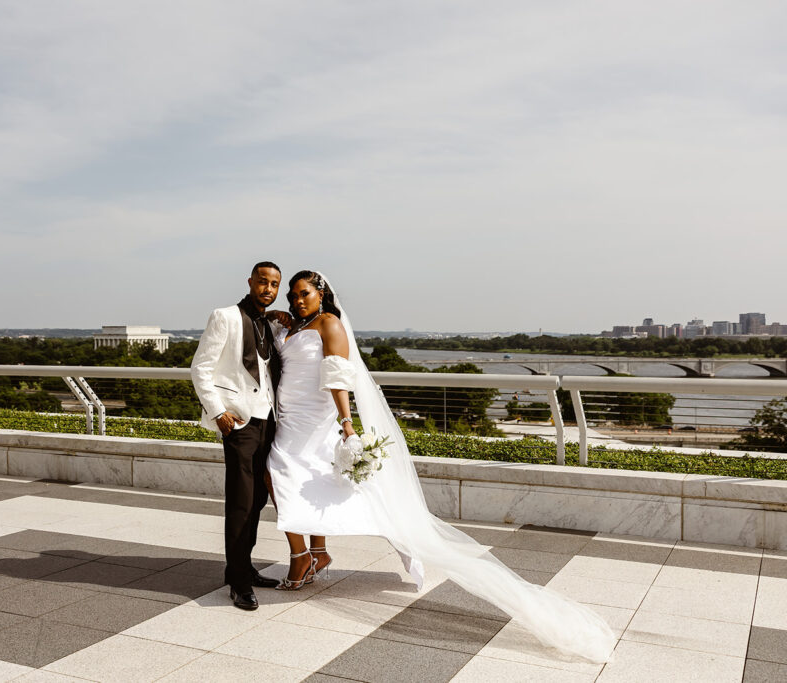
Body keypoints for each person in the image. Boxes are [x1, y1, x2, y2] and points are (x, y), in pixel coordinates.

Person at [264, 270, 617, 663]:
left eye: (304, 294)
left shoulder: (329, 324)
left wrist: (347, 426)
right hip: (289, 415)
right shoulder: (297, 323)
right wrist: (281, 319)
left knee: (280, 475)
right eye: (293, 295)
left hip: (311, 420)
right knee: (304, 482)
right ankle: (319, 552)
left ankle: (302, 558)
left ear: (321, 294)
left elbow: (337, 379)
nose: (297, 300)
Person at [190, 261, 283, 611]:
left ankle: (242, 567)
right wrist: (218, 411)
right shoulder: (225, 316)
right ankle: (240, 584)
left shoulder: (270, 323)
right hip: (240, 423)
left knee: (258, 498)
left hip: (269, 421)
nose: (268, 289)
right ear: (251, 282)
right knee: (242, 502)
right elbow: (201, 367)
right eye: (263, 282)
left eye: (274, 284)